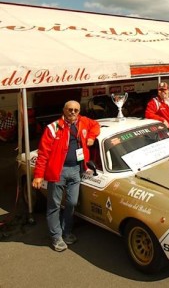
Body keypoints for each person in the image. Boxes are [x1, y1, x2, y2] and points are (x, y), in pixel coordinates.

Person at [32, 100, 100, 252]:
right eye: (70, 109)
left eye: (76, 110)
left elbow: (95, 125)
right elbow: (43, 154)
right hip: (58, 171)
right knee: (54, 205)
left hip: (77, 170)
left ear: (79, 111)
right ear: (64, 110)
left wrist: (92, 136)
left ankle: (66, 231)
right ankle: (56, 237)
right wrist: (38, 175)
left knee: (72, 203)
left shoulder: (83, 121)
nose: (73, 113)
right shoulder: (53, 128)